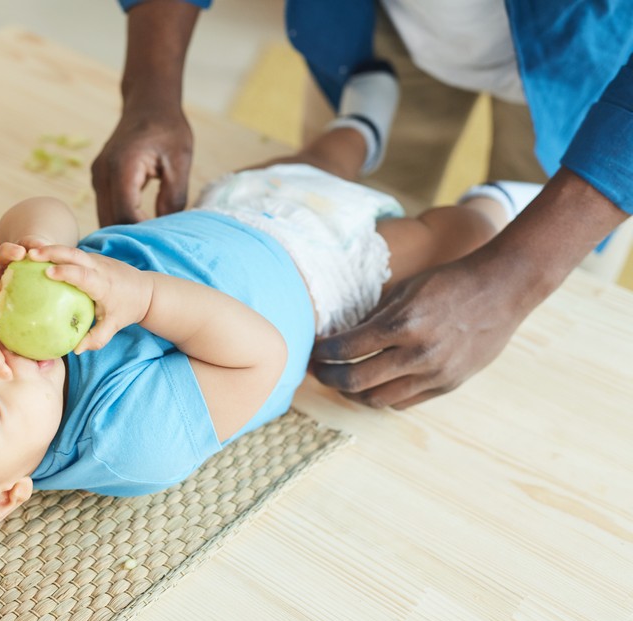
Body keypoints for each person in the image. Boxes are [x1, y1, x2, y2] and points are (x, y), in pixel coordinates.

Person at [0, 66, 534, 600]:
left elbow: (36, 213)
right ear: (9, 495)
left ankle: (361, 121)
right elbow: (261, 355)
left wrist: (44, 250)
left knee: (310, 157)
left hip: (231, 210)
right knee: (434, 237)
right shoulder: (131, 439)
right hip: (325, 269)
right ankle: (506, 198)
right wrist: (141, 295)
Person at [93, 0, 633, 409]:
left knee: (316, 163)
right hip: (331, 257)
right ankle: (462, 184)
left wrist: (521, 270)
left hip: (593, 47)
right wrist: (150, 90)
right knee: (428, 238)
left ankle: (382, 135)